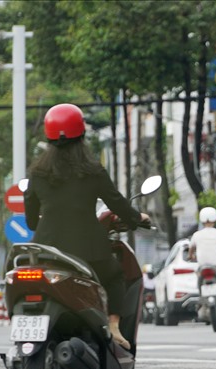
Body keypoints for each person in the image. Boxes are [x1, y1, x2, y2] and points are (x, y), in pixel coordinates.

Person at [25, 103, 148, 349]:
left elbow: (30, 218)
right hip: (88, 250)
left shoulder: (37, 173)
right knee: (115, 276)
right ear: (81, 135)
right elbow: (117, 203)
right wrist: (138, 219)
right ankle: (113, 327)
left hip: (45, 250)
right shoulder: (92, 171)